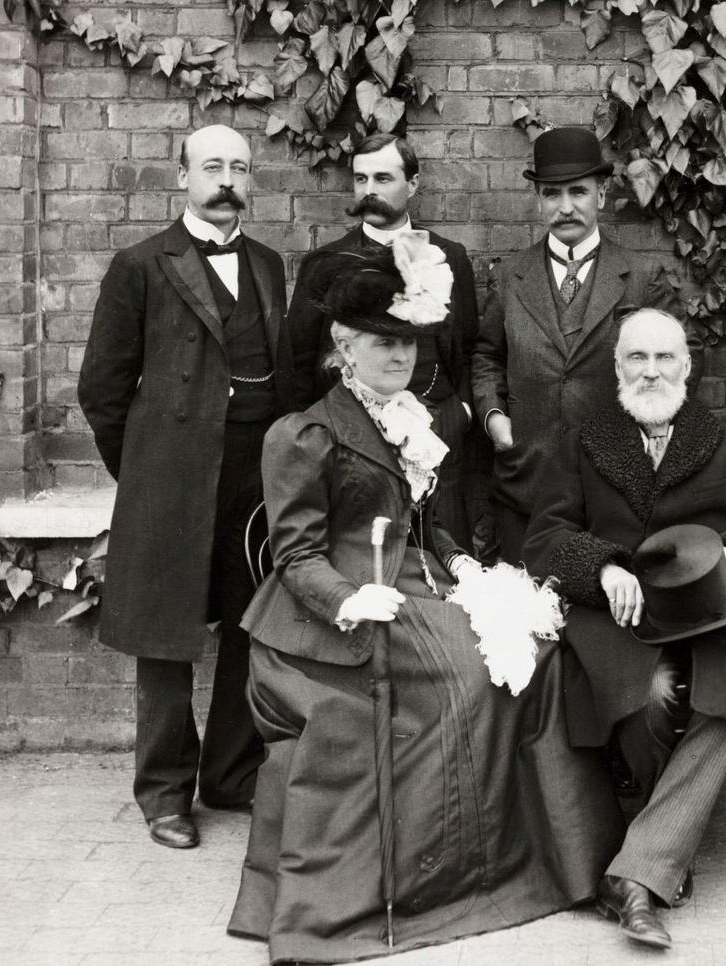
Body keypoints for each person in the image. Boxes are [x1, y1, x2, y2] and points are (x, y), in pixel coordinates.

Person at [227, 245, 623, 962]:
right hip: (335, 610)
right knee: (469, 678)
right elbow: (294, 556)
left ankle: (557, 862)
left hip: (414, 580)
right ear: (344, 348)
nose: (399, 357)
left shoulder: (411, 418)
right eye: (383, 343)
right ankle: (448, 881)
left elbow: (424, 522)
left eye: (408, 343)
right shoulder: (305, 433)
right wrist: (347, 598)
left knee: (537, 652)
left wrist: (464, 563)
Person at [523, 309, 726, 950]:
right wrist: (599, 566)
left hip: (725, 614)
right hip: (624, 615)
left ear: (688, 367)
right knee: (649, 694)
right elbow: (545, 538)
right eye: (638, 359)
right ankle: (658, 861)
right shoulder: (583, 444)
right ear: (617, 368)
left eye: (665, 359)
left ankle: (639, 871)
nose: (651, 371)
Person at [78, 124, 304, 849]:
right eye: (213, 166)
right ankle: (166, 793)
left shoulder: (268, 263)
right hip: (171, 474)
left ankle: (231, 774)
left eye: (239, 167)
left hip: (254, 477)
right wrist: (146, 471)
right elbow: (102, 390)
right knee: (167, 634)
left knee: (249, 621)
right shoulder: (140, 265)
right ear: (183, 177)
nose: (227, 179)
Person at [472, 126, 687, 564]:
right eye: (552, 194)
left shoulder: (642, 279)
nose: (565, 207)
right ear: (538, 200)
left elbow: (682, 361)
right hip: (526, 481)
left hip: (614, 485)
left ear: (602, 195)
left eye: (578, 192)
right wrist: (496, 420)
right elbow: (486, 356)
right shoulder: (509, 277)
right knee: (529, 616)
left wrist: (647, 434)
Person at [286, 133, 480, 549]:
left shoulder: (450, 258)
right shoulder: (326, 266)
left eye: (383, 178)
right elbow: (300, 365)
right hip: (355, 442)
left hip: (438, 434)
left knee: (444, 558)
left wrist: (460, 412)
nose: (369, 191)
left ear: (413, 184)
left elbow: (467, 347)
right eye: (360, 180)